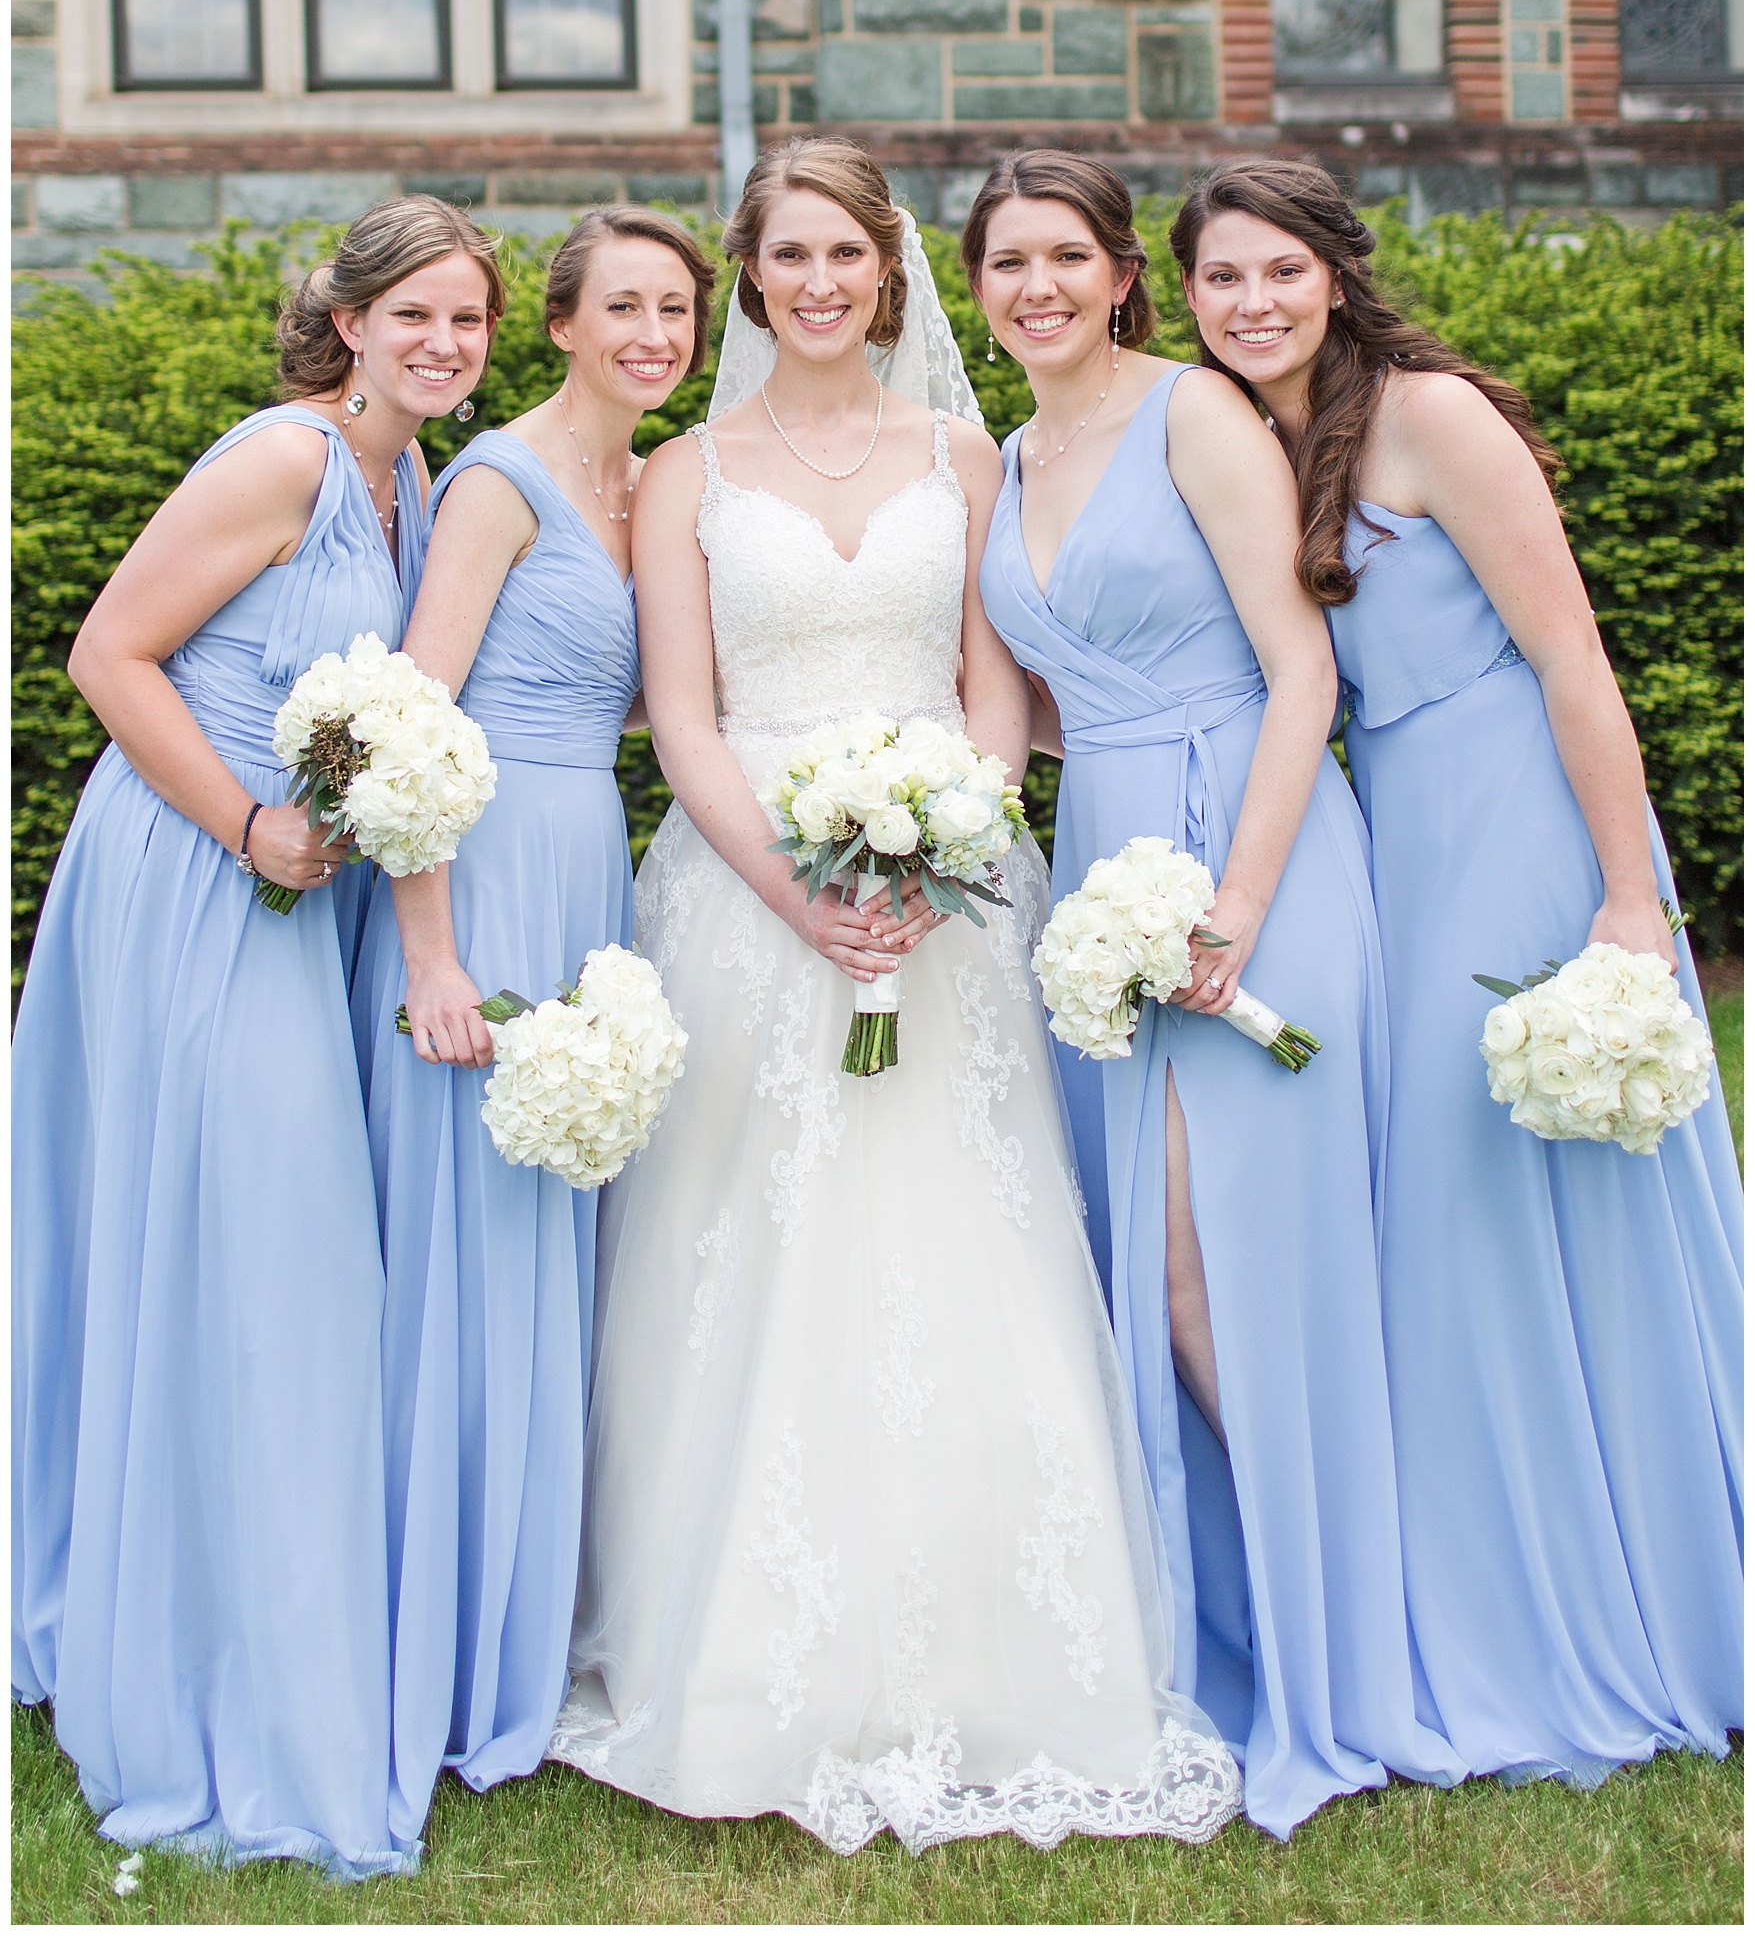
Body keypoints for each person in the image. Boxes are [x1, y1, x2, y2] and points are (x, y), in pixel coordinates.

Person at [547, 138, 1243, 1855]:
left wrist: (956, 849)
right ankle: (743, 1648)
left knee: (965, 1238)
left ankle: (1006, 1648)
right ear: (751, 273)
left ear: (888, 264)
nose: (820, 282)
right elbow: (686, 720)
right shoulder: (687, 471)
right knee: (750, 1249)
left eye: (846, 252)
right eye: (787, 255)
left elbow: (988, 683)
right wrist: (799, 890)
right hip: (747, 889)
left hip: (947, 903)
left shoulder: (966, 452)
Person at [1172, 154, 1742, 1785]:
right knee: (1436, 1219)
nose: (1252, 303)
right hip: (1388, 839)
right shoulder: (1242, 439)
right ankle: (1483, 1583)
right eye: (1222, 278)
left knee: (1520, 1198)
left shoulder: (1428, 414)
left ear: (1335, 276)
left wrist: (1630, 896)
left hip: (1511, 822)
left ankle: (1647, 1602)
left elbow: (1573, 656)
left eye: (1280, 271)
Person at [969, 150, 1460, 1839]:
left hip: (1252, 853)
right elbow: (1043, 705)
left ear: (1122, 275)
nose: (1034, 284)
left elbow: (1298, 660)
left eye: (1064, 256)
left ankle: (1357, 1648)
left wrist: (1237, 897)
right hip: (1109, 866)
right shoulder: (1013, 455)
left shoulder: (1196, 416)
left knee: (1223, 1267)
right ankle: (1230, 1631)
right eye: (1003, 260)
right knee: (1156, 1264)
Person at [12, 196, 504, 1877]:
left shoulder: (416, 480)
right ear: (348, 321)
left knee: (274, 1254)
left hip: (305, 897)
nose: (444, 345)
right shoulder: (284, 458)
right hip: (192, 875)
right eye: (415, 316)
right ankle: (210, 1666)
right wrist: (241, 824)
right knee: (262, 1246)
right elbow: (108, 652)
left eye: (469, 322)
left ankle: (253, 1608)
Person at [351, 208, 714, 1845]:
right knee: (474, 1261)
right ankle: (435, 1649)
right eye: (621, 305)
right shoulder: (497, 481)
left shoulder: (656, 484)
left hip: (593, 875)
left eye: (676, 306)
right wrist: (430, 952)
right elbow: (411, 723)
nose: (652, 329)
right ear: (561, 323)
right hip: (484, 876)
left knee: (563, 1261)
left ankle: (538, 1618)